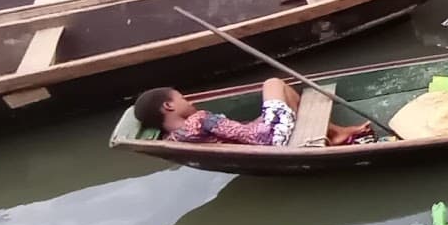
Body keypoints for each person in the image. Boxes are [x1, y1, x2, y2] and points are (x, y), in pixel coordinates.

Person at [132, 78, 370, 146]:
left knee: (283, 96)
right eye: (182, 98)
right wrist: (263, 121)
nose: (188, 100)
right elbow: (253, 136)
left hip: (262, 138)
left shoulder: (172, 138)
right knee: (274, 84)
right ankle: (335, 132)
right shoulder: (200, 120)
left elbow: (235, 136)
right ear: (169, 106)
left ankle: (334, 132)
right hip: (270, 140)